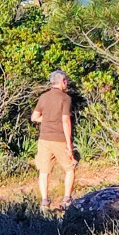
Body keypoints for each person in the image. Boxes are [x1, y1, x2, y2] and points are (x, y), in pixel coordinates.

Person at [31, 69, 76, 211]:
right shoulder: (65, 98)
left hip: (44, 139)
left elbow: (34, 117)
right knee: (70, 168)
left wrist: (48, 119)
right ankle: (66, 200)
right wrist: (69, 144)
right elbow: (65, 121)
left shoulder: (43, 97)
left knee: (44, 172)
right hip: (59, 139)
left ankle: (45, 202)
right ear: (62, 82)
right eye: (66, 81)